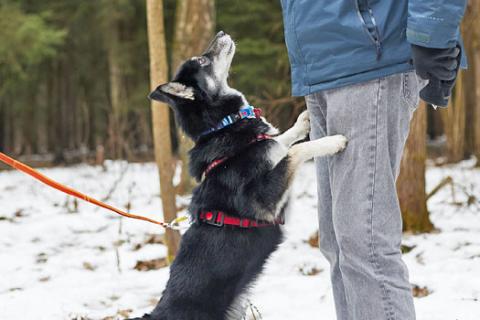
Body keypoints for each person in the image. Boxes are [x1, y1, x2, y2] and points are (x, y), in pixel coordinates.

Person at [280, 1, 467, 319]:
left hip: (371, 53)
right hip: (322, 63)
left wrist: (432, 33)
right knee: (338, 243)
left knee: (363, 242)